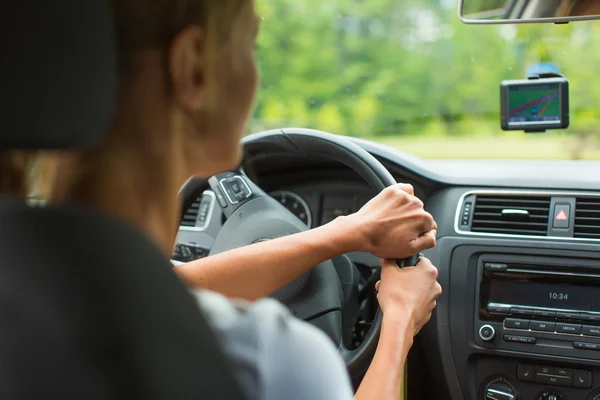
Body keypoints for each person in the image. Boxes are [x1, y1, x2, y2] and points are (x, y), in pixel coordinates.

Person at [33, 0, 443, 399]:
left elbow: (169, 285)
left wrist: (347, 233)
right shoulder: (267, 358)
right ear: (192, 66)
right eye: (251, 43)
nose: (254, 73)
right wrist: (400, 319)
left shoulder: (37, 281)